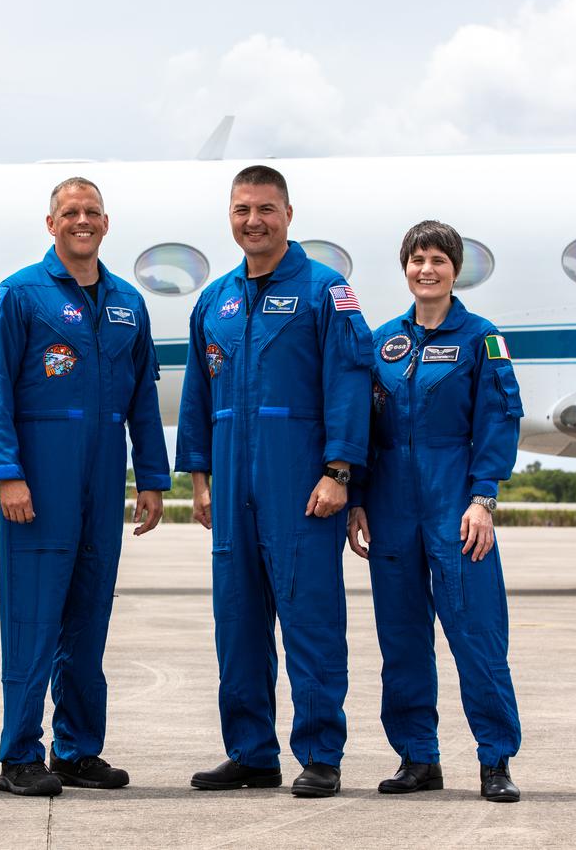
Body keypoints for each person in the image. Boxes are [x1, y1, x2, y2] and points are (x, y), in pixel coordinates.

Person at [175, 165, 373, 798]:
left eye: (265, 208)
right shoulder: (216, 299)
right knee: (236, 621)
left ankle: (320, 753)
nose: (253, 220)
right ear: (230, 218)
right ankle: (252, 752)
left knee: (311, 617)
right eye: (241, 210)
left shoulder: (325, 291)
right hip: (232, 484)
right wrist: (199, 476)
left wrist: (340, 471)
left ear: (289, 214)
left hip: (301, 481)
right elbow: (197, 396)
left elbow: (349, 381)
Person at [0, 177, 170, 797]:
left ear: (106, 224)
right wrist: (6, 473)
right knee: (33, 620)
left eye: (91, 212)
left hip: (104, 475)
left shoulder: (126, 303)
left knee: (89, 618)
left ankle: (79, 749)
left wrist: (152, 479)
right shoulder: (19, 295)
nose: (81, 221)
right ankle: (18, 755)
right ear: (50, 222)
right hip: (40, 476)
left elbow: (144, 395)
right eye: (69, 212)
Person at [347, 220, 525, 803]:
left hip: (456, 504)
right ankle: (417, 758)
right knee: (401, 639)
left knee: (476, 634)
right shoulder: (381, 344)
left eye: (438, 260)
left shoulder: (481, 338)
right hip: (391, 504)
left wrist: (483, 499)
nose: (427, 269)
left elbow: (498, 421)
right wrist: (358, 501)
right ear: (405, 269)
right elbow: (362, 431)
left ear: (455, 269)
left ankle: (495, 760)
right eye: (417, 259)